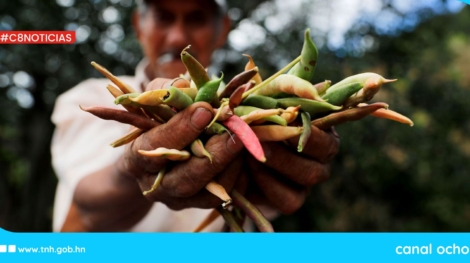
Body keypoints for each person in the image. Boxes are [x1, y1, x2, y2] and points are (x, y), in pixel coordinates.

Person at [50, 0, 340, 232]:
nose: (178, 38)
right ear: (139, 26)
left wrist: (295, 149)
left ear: (222, 30)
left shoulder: (252, 103)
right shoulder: (87, 97)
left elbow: (267, 200)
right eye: (163, 16)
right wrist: (131, 168)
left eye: (196, 18)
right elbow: (88, 208)